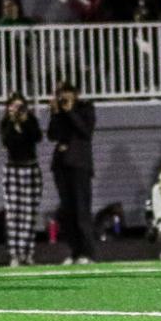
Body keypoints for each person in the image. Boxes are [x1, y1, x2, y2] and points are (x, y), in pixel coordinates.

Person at [47, 79, 98, 262]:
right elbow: (52, 135)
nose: (63, 96)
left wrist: (70, 112)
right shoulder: (59, 110)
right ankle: (75, 252)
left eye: (67, 92)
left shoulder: (86, 108)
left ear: (75, 93)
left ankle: (88, 253)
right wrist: (55, 114)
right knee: (67, 211)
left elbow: (86, 131)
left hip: (79, 165)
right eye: (60, 92)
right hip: (61, 166)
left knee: (81, 211)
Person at [0, 91, 43, 264]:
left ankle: (28, 252)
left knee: (29, 214)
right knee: (13, 214)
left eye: (20, 106)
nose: (17, 110)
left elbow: (37, 138)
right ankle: (14, 254)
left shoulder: (30, 121)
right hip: (13, 169)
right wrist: (12, 122)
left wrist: (25, 122)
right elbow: (7, 142)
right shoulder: (6, 123)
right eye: (13, 106)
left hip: (31, 168)